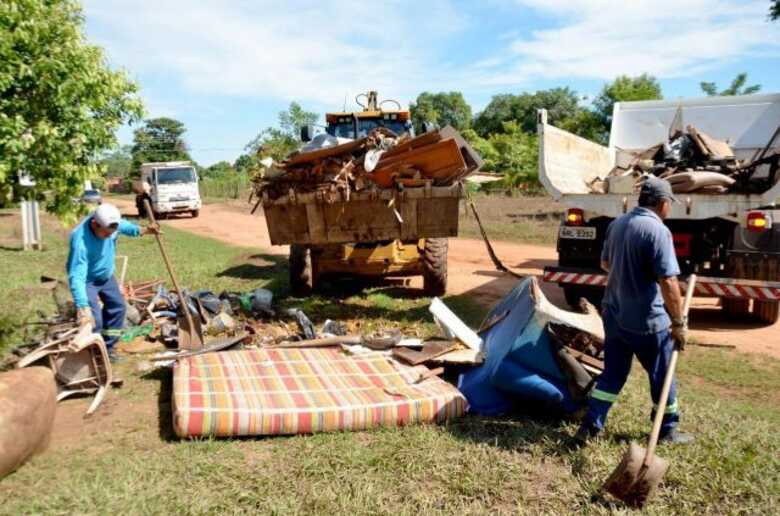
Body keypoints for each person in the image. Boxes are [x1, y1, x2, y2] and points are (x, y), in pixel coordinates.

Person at [575, 176, 693, 445]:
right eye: (669, 204)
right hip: (646, 319)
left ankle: (590, 427)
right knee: (662, 376)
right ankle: (667, 430)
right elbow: (669, 281)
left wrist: (627, 268)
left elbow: (605, 263)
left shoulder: (618, 223)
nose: (669, 209)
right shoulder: (658, 231)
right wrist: (678, 322)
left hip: (613, 314)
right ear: (662, 203)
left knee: (613, 374)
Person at [67, 203, 158, 360]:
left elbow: (124, 226)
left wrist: (142, 230)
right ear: (95, 224)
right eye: (106, 234)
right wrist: (82, 306)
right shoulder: (81, 242)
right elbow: (77, 277)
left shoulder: (109, 224)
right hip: (88, 281)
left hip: (106, 276)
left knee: (118, 308)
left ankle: (108, 348)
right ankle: (94, 355)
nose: (110, 236)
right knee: (94, 320)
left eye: (112, 232)